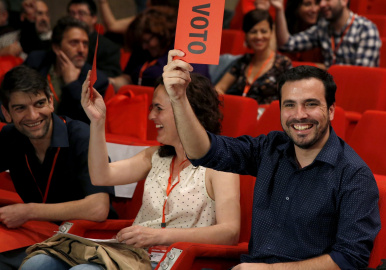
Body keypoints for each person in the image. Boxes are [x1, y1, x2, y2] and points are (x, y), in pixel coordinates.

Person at [164, 49, 380, 269]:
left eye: (311, 104)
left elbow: (350, 259)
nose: (299, 115)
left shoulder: (354, 175)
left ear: (331, 110)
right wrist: (179, 98)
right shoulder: (270, 148)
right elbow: (204, 152)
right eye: (289, 105)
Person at [20, 70, 241, 270]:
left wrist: (158, 236)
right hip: (131, 256)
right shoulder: (154, 155)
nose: (151, 116)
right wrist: (98, 122)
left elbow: (230, 232)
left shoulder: (221, 164)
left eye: (158, 108)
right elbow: (100, 176)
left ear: (187, 110)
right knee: (38, 263)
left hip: (176, 262)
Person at [0, 65, 115, 270]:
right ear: (6, 113)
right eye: (20, 108)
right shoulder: (10, 137)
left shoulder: (81, 135)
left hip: (88, 240)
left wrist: (29, 211)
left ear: (51, 102)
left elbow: (98, 208)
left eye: (40, 103)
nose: (33, 115)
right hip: (40, 237)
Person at [24, 16, 109, 124]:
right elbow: (10, 93)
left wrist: (72, 84)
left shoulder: (97, 80)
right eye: (74, 43)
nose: (81, 50)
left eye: (85, 44)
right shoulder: (36, 61)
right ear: (57, 48)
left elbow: (88, 121)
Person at [109, 5, 210, 90]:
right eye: (142, 42)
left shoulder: (182, 50)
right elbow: (129, 78)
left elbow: (194, 87)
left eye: (147, 41)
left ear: (161, 34)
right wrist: (111, 82)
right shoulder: (142, 50)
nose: (144, 47)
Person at [271, 0, 381, 68]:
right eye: (320, 0)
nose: (322, 4)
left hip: (355, 91)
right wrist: (279, 10)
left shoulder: (365, 29)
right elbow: (287, 44)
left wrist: (326, 68)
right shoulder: (323, 27)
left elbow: (360, 74)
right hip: (328, 92)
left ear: (343, 1)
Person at [215, 9, 292, 105]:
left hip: (268, 116)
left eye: (264, 31)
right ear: (246, 35)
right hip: (241, 113)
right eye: (253, 32)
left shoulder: (283, 63)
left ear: (271, 32)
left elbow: (290, 97)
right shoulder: (244, 61)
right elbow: (219, 88)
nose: (259, 36)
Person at [67, 0, 121, 78]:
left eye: (81, 13)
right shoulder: (61, 42)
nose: (75, 18)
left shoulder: (108, 47)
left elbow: (109, 79)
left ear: (94, 18)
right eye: (72, 14)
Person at [282, 0, 324, 66]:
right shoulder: (282, 31)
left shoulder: (324, 30)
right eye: (307, 4)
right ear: (295, 7)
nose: (314, 10)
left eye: (317, 3)